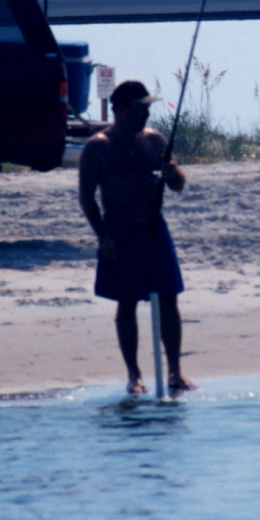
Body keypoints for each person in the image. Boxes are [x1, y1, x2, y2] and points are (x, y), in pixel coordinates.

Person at [78, 79, 198, 396]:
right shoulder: (98, 147)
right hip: (119, 229)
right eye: (138, 108)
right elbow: (87, 197)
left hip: (154, 228)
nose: (145, 114)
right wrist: (102, 236)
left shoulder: (154, 141)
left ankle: (175, 372)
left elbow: (177, 185)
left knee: (169, 299)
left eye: (147, 108)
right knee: (126, 303)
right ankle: (134, 375)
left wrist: (171, 171)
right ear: (120, 110)